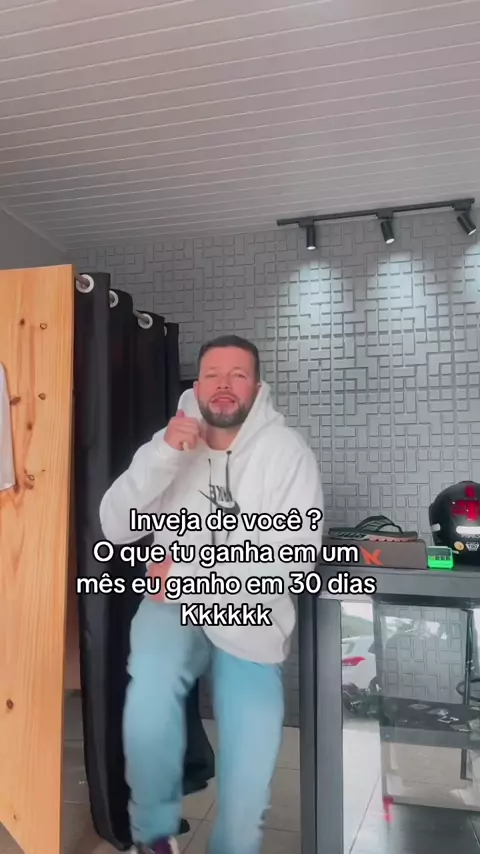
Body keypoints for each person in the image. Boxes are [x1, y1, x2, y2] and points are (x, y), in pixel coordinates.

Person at [99, 335, 324, 854]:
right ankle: (153, 835)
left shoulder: (286, 453)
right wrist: (161, 457)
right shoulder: (166, 443)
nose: (224, 385)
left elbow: (296, 556)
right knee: (150, 688)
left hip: (250, 613)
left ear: (257, 388)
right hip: (173, 605)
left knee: (249, 768)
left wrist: (189, 568)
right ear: (197, 386)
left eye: (238, 375)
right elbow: (114, 527)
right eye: (213, 375)